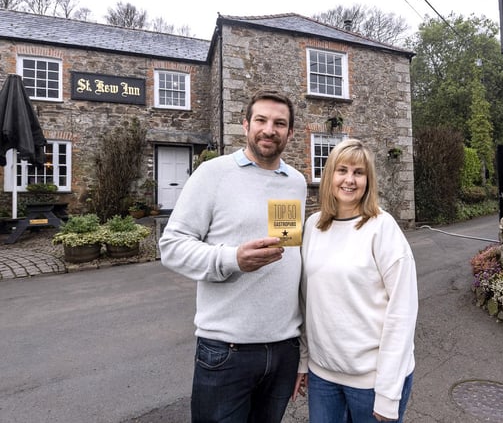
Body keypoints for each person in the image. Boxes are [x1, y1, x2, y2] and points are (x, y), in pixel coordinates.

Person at [160, 90, 307, 423]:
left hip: (285, 348)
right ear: (245, 125)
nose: (270, 129)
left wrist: (304, 351)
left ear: (290, 133)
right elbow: (171, 245)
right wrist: (232, 260)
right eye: (261, 120)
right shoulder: (213, 174)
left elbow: (289, 252)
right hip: (227, 351)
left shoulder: (295, 182)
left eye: (280, 123)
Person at [294, 139, 418, 422]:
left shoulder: (382, 228)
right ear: (329, 177)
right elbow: (305, 301)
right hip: (323, 376)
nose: (349, 180)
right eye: (342, 170)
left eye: (358, 173)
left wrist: (388, 394)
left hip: (372, 382)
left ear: (368, 180)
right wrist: (303, 360)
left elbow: (402, 311)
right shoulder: (313, 226)